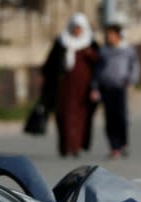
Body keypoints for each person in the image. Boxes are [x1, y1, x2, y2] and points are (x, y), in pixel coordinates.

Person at [41, 13, 100, 157]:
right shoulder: (62, 42)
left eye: (80, 28)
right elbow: (50, 65)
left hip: (84, 89)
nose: (77, 31)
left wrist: (91, 55)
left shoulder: (90, 44)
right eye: (75, 28)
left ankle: (77, 147)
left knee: (81, 118)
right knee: (64, 116)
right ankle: (66, 146)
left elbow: (100, 65)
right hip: (64, 88)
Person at [92, 23, 141, 158]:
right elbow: (96, 71)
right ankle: (114, 147)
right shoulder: (103, 52)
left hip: (120, 87)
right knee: (109, 119)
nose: (108, 37)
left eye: (111, 35)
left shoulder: (127, 50)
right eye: (107, 35)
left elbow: (134, 66)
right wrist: (94, 88)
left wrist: (131, 79)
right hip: (106, 88)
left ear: (118, 36)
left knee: (121, 117)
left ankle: (124, 143)